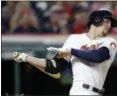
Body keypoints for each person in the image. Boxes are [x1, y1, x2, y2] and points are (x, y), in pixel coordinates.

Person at [13, 8, 117, 95]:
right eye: (107, 21)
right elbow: (54, 67)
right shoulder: (74, 39)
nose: (109, 25)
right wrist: (27, 58)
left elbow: (98, 57)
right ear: (96, 19)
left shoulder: (110, 41)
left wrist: (71, 51)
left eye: (110, 23)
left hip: (97, 92)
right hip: (79, 91)